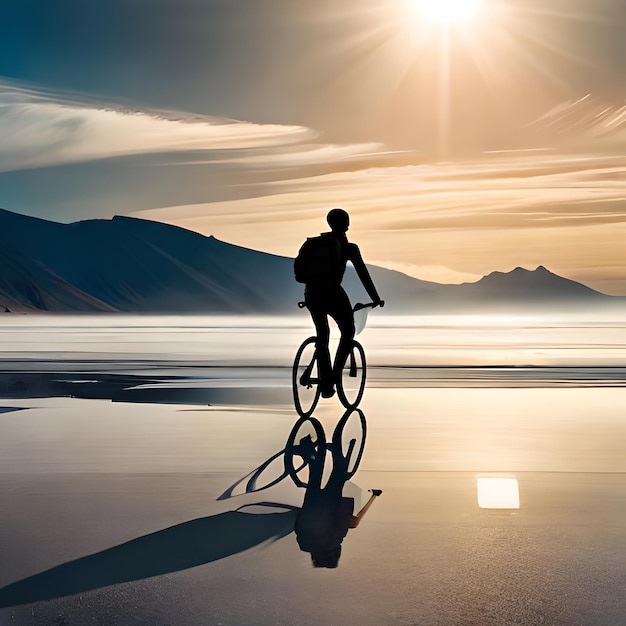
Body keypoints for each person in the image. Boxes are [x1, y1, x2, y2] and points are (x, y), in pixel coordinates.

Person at [296, 208, 383, 398]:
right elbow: (363, 274)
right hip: (332, 292)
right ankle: (333, 377)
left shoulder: (315, 244)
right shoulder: (349, 248)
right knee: (348, 330)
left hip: (311, 293)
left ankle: (326, 384)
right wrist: (375, 298)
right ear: (347, 224)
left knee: (323, 335)